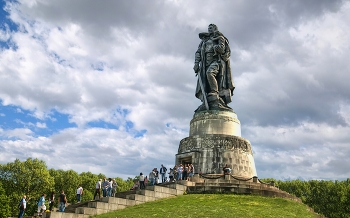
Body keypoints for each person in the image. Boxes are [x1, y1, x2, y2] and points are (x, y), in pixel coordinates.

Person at [193, 24, 234, 111]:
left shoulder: (220, 38)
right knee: (206, 81)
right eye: (208, 28)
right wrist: (196, 63)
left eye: (211, 28)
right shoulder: (204, 41)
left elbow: (222, 49)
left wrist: (216, 44)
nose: (209, 30)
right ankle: (208, 100)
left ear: (215, 29)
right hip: (205, 63)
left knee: (210, 73)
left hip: (216, 61)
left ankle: (214, 94)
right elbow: (198, 52)